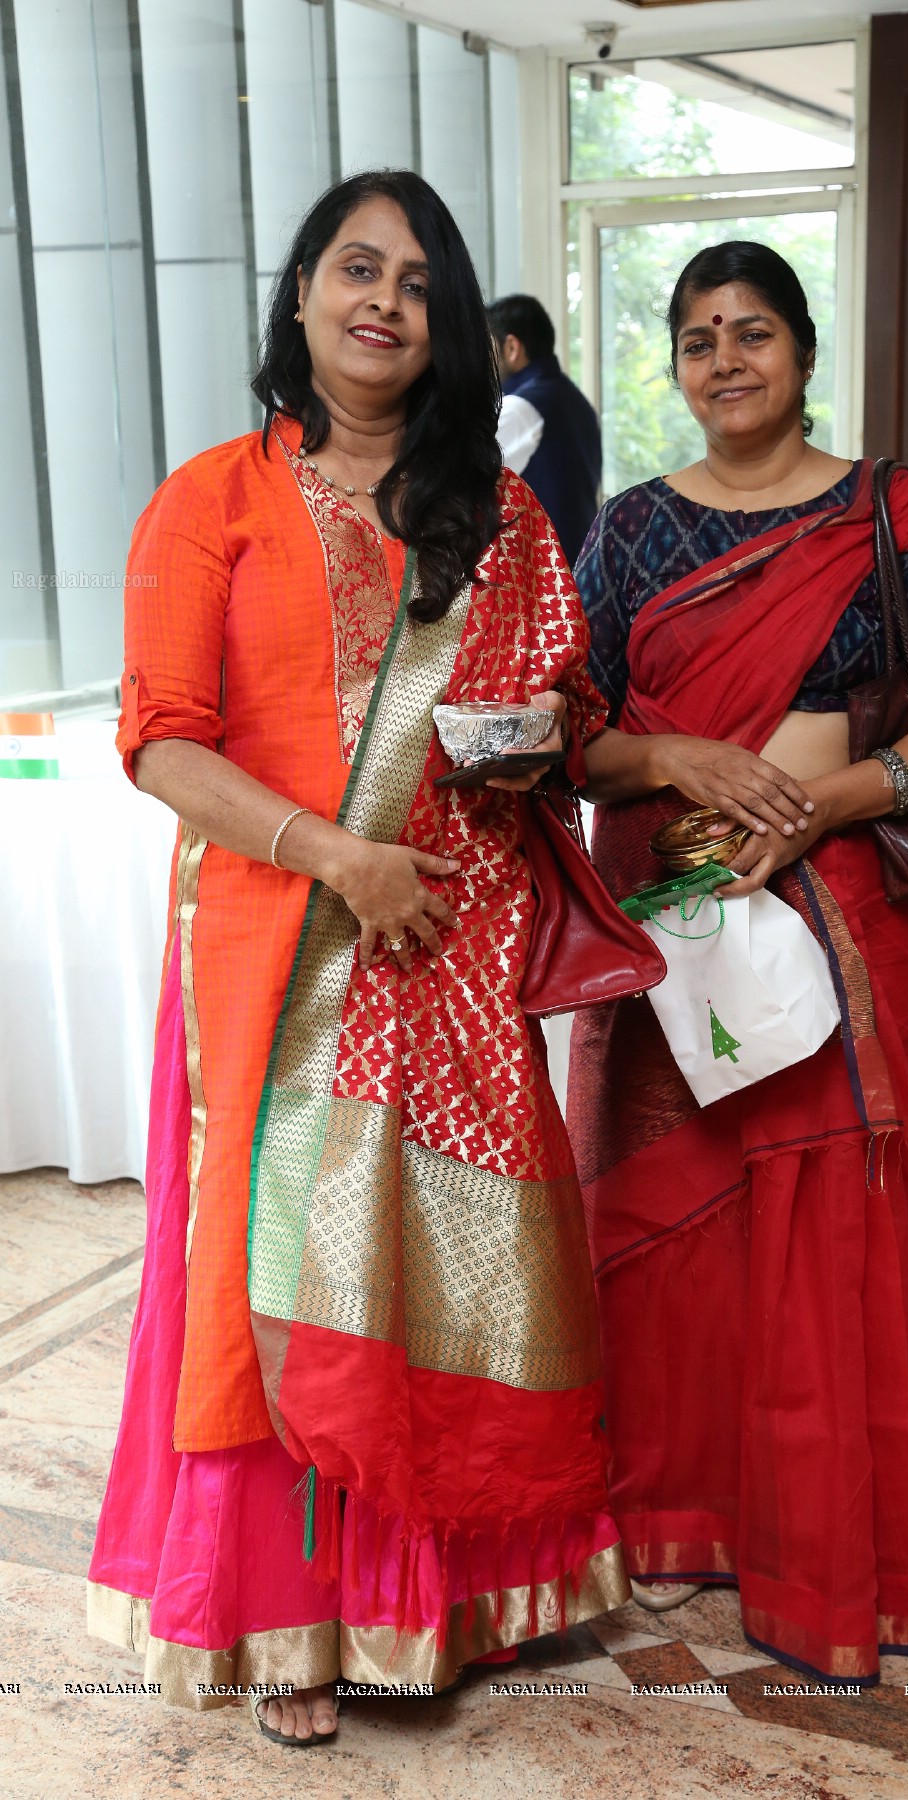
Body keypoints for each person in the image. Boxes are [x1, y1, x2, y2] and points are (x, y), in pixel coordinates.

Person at [87, 169, 628, 1744]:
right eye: (353, 269)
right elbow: (163, 744)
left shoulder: (504, 515)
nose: (382, 300)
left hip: (455, 949)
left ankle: (457, 1595)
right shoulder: (215, 498)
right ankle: (290, 1624)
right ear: (305, 296)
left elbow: (560, 718)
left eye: (414, 279)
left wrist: (532, 758)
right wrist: (339, 856)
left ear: (450, 321)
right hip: (288, 951)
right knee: (290, 1285)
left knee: (460, 1264)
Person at [569, 240, 908, 1686]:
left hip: (841, 924)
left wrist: (809, 807)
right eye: (698, 339)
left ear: (808, 351)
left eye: (752, 332)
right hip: (680, 929)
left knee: (846, 1216)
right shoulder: (632, 530)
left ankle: (863, 1536)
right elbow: (571, 731)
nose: (725, 361)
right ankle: (690, 1514)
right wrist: (681, 755)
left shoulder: (897, 512)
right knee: (677, 1220)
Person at [488, 294, 602, 564]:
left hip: (540, 585)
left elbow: (458, 491)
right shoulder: (575, 401)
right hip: (575, 571)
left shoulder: (520, 408)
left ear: (512, 348)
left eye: (486, 347)